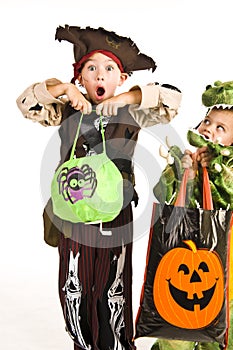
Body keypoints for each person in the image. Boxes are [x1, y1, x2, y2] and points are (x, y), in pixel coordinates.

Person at [16, 25, 182, 350]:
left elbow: (172, 100)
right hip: (73, 216)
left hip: (114, 217)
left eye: (109, 69)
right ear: (82, 79)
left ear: (120, 78)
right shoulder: (66, 110)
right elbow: (26, 103)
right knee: (73, 285)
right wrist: (63, 89)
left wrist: (129, 96)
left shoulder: (132, 111)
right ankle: (82, 343)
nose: (99, 75)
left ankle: (116, 344)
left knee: (111, 286)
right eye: (91, 69)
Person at [152, 80, 233, 350]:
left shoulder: (228, 168)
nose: (209, 129)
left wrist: (218, 168)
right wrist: (180, 172)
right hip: (182, 255)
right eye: (207, 122)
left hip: (224, 261)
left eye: (221, 128)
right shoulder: (186, 160)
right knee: (177, 325)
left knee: (222, 320)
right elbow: (161, 195)